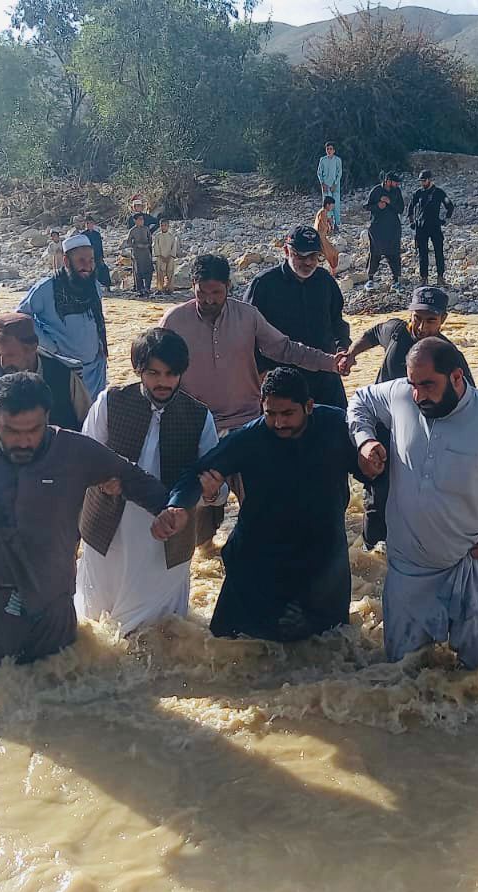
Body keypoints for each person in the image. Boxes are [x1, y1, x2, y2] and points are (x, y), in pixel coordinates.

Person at [0, 372, 189, 693]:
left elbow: (131, 476)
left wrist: (168, 510)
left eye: (34, 430)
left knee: (56, 717)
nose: (25, 440)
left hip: (49, 608)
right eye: (12, 431)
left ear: (47, 419)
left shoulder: (73, 451)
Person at [348, 338, 478, 668]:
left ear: (458, 377)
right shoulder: (403, 396)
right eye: (413, 384)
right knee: (402, 675)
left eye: (428, 384)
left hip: (470, 566)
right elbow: (360, 400)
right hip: (407, 571)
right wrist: (365, 440)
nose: (418, 395)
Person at [157, 254, 348, 544]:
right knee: (198, 522)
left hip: (246, 423)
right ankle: (208, 559)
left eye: (216, 293)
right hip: (195, 427)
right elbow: (157, 369)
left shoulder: (247, 316)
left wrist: (330, 363)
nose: (208, 300)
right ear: (192, 286)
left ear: (229, 287)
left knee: (262, 506)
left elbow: (286, 349)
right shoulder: (173, 321)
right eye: (202, 293)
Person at [170, 367, 367, 642]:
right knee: (230, 645)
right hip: (259, 553)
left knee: (330, 647)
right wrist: (178, 506)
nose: (278, 423)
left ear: (308, 406)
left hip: (323, 553)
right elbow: (196, 473)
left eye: (287, 414)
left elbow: (373, 469)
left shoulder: (336, 427)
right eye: (270, 413)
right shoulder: (249, 438)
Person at [77, 328, 221, 635]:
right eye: (153, 373)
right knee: (99, 621)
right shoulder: (110, 402)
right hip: (109, 529)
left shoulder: (200, 416)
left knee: (163, 631)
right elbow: (83, 458)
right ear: (138, 370)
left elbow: (216, 484)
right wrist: (102, 479)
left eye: (171, 374)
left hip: (171, 534)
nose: (162, 382)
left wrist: (212, 492)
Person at [342, 287, 473, 548]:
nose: (422, 327)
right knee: (377, 498)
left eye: (431, 320)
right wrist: (351, 354)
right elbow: (372, 334)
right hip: (381, 430)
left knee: (416, 501)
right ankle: (371, 555)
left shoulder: (448, 355)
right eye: (417, 318)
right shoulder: (397, 331)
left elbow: (470, 401)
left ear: (444, 319)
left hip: (420, 438)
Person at [243, 225, 353, 409]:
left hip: (326, 377)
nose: (308, 262)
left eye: (314, 256)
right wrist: (262, 372)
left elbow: (337, 323)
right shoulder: (263, 285)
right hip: (283, 382)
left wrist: (342, 351)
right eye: (301, 256)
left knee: (338, 431)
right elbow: (246, 334)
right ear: (286, 251)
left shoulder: (325, 281)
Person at [0, 312, 91, 435]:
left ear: (32, 347)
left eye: (10, 355)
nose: (3, 362)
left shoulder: (64, 377)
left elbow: (89, 426)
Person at [17, 233, 109, 400]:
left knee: (95, 421)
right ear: (67, 261)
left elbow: (97, 318)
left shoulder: (93, 285)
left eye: (91, 261)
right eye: (81, 261)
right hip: (63, 370)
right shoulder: (47, 288)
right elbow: (21, 316)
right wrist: (49, 346)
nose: (87, 267)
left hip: (95, 368)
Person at [407, 169, 455, 286]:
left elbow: (450, 206)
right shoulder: (418, 193)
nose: (422, 183)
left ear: (430, 180)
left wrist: (445, 220)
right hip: (421, 227)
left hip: (434, 226)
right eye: (421, 181)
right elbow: (410, 207)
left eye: (424, 180)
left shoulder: (439, 192)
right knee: (422, 253)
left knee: (439, 252)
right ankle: (424, 278)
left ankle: (440, 277)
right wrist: (412, 221)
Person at [364, 172, 405, 291]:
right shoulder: (376, 191)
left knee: (394, 254)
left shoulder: (397, 191)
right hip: (377, 228)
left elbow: (401, 209)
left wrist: (389, 202)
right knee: (375, 253)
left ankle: (396, 281)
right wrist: (377, 205)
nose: (397, 184)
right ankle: (370, 279)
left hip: (393, 228)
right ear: (387, 181)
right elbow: (367, 206)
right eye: (395, 182)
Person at [75, 215, 112, 292]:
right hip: (87, 257)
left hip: (97, 256)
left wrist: (101, 257)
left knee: (104, 269)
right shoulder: (83, 235)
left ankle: (107, 286)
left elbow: (100, 246)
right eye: (88, 223)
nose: (90, 225)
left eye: (91, 223)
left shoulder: (97, 234)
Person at [316, 142, 344, 232]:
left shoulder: (338, 160)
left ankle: (336, 225)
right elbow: (319, 173)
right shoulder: (322, 160)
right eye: (327, 149)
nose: (329, 150)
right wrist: (322, 183)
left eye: (331, 149)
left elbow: (339, 173)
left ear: (334, 150)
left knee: (336, 205)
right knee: (327, 206)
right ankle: (328, 225)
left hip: (335, 186)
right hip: (325, 186)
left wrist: (335, 184)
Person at [128, 216, 154, 297]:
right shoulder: (132, 230)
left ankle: (147, 288)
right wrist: (136, 245)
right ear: (135, 221)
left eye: (142, 219)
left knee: (148, 270)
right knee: (138, 271)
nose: (142, 221)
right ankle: (140, 289)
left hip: (146, 252)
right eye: (140, 219)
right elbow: (129, 242)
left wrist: (147, 245)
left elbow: (150, 239)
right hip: (137, 253)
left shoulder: (146, 229)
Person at [314, 195, 340, 275]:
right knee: (333, 253)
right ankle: (333, 274)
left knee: (332, 253)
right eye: (332, 206)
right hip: (320, 238)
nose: (332, 208)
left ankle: (333, 272)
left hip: (321, 237)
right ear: (328, 204)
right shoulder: (323, 213)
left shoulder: (323, 212)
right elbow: (323, 227)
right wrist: (329, 225)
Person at [152, 219, 179, 294]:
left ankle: (169, 289)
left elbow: (174, 247)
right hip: (160, 258)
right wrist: (160, 256)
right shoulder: (158, 236)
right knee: (160, 273)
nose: (163, 227)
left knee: (170, 273)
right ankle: (160, 289)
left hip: (170, 258)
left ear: (168, 226)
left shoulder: (171, 236)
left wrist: (170, 256)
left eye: (165, 225)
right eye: (162, 225)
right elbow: (155, 246)